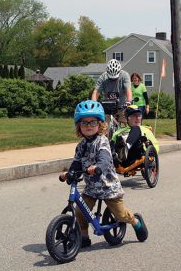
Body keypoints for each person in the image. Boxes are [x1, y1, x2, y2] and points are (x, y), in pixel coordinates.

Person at [60, 100, 148, 247]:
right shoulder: (81, 146)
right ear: (79, 126)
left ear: (100, 124)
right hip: (91, 189)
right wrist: (69, 173)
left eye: (92, 122)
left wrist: (98, 166)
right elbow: (76, 162)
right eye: (84, 123)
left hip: (109, 187)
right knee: (80, 212)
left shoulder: (102, 141)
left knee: (121, 214)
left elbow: (105, 158)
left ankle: (135, 221)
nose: (88, 126)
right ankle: (84, 237)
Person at [91, 59, 132, 124]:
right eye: (111, 77)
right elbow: (96, 92)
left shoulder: (125, 75)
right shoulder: (103, 77)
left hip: (122, 106)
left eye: (115, 77)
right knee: (104, 126)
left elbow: (128, 90)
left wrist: (129, 101)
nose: (113, 79)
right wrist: (94, 104)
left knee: (128, 123)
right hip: (108, 107)